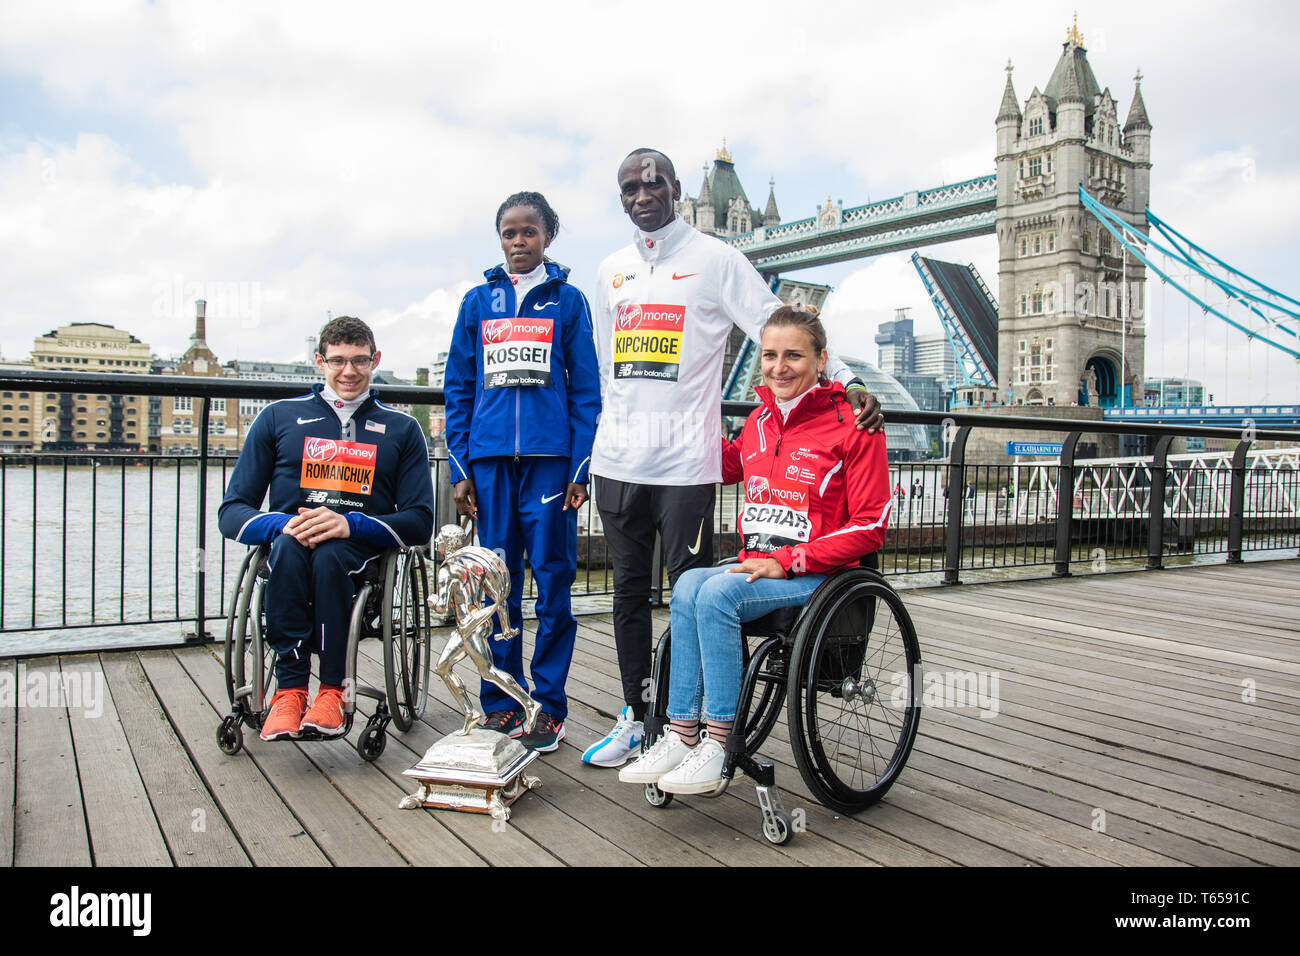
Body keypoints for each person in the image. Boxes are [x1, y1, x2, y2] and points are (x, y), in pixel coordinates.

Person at [581, 147, 884, 769]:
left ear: (676, 189)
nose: (643, 195)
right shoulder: (609, 269)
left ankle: (688, 729)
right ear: (620, 197)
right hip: (618, 461)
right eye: (630, 187)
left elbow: (781, 326)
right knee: (627, 599)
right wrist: (588, 456)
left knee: (691, 595)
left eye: (655, 183)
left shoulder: (718, 260)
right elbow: (605, 373)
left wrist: (849, 380)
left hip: (689, 468)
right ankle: (639, 720)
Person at [618, 305, 889, 792]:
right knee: (687, 585)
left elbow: (871, 526)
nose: (778, 367)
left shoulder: (855, 423)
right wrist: (682, 417)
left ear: (822, 359)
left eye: (794, 356)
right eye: (769, 355)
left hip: (816, 576)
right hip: (756, 567)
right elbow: (729, 464)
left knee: (718, 595)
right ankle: (681, 735)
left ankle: (719, 743)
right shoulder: (763, 419)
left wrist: (788, 561)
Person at [218, 316, 435, 740]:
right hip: (289, 546)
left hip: (358, 553)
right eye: (337, 361)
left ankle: (333, 690)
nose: (348, 371)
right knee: (289, 549)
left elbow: (420, 521)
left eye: (359, 360)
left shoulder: (402, 429)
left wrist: (349, 524)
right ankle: (290, 691)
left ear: (376, 360)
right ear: (320, 361)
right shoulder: (277, 418)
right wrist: (285, 524)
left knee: (332, 554)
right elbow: (232, 512)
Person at [443, 191, 600, 753]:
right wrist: (460, 465)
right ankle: (502, 703)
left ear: (548, 236)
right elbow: (458, 387)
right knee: (494, 582)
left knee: (553, 579)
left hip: (550, 462)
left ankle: (549, 707)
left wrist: (580, 467)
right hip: (487, 462)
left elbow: (586, 390)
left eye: (528, 232)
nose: (518, 242)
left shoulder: (570, 301)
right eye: (508, 233)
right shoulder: (475, 302)